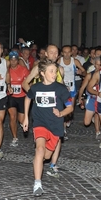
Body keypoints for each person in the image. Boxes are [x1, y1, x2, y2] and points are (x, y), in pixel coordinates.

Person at [22, 59, 73, 197]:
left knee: (46, 155)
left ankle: (38, 161)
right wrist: (26, 117)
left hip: (55, 126)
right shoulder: (36, 88)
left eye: (55, 71)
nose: (54, 73)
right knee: (39, 149)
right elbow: (27, 98)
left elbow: (70, 107)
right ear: (43, 73)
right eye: (51, 71)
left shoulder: (61, 89)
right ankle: (37, 183)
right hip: (39, 123)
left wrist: (61, 113)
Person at [22, 44, 65, 178]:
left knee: (57, 137)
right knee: (41, 144)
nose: (53, 55)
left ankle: (53, 165)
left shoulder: (60, 70)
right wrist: (36, 95)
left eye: (56, 53)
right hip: (40, 109)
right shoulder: (37, 68)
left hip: (55, 108)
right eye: (51, 52)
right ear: (46, 54)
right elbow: (25, 83)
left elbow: (62, 88)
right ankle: (40, 162)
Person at [7, 51, 29, 146]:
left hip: (22, 97)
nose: (13, 62)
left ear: (17, 60)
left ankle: (22, 123)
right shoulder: (6, 70)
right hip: (11, 97)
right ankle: (15, 138)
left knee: (21, 119)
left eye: (15, 60)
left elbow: (29, 82)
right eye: (11, 60)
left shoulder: (23, 70)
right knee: (12, 117)